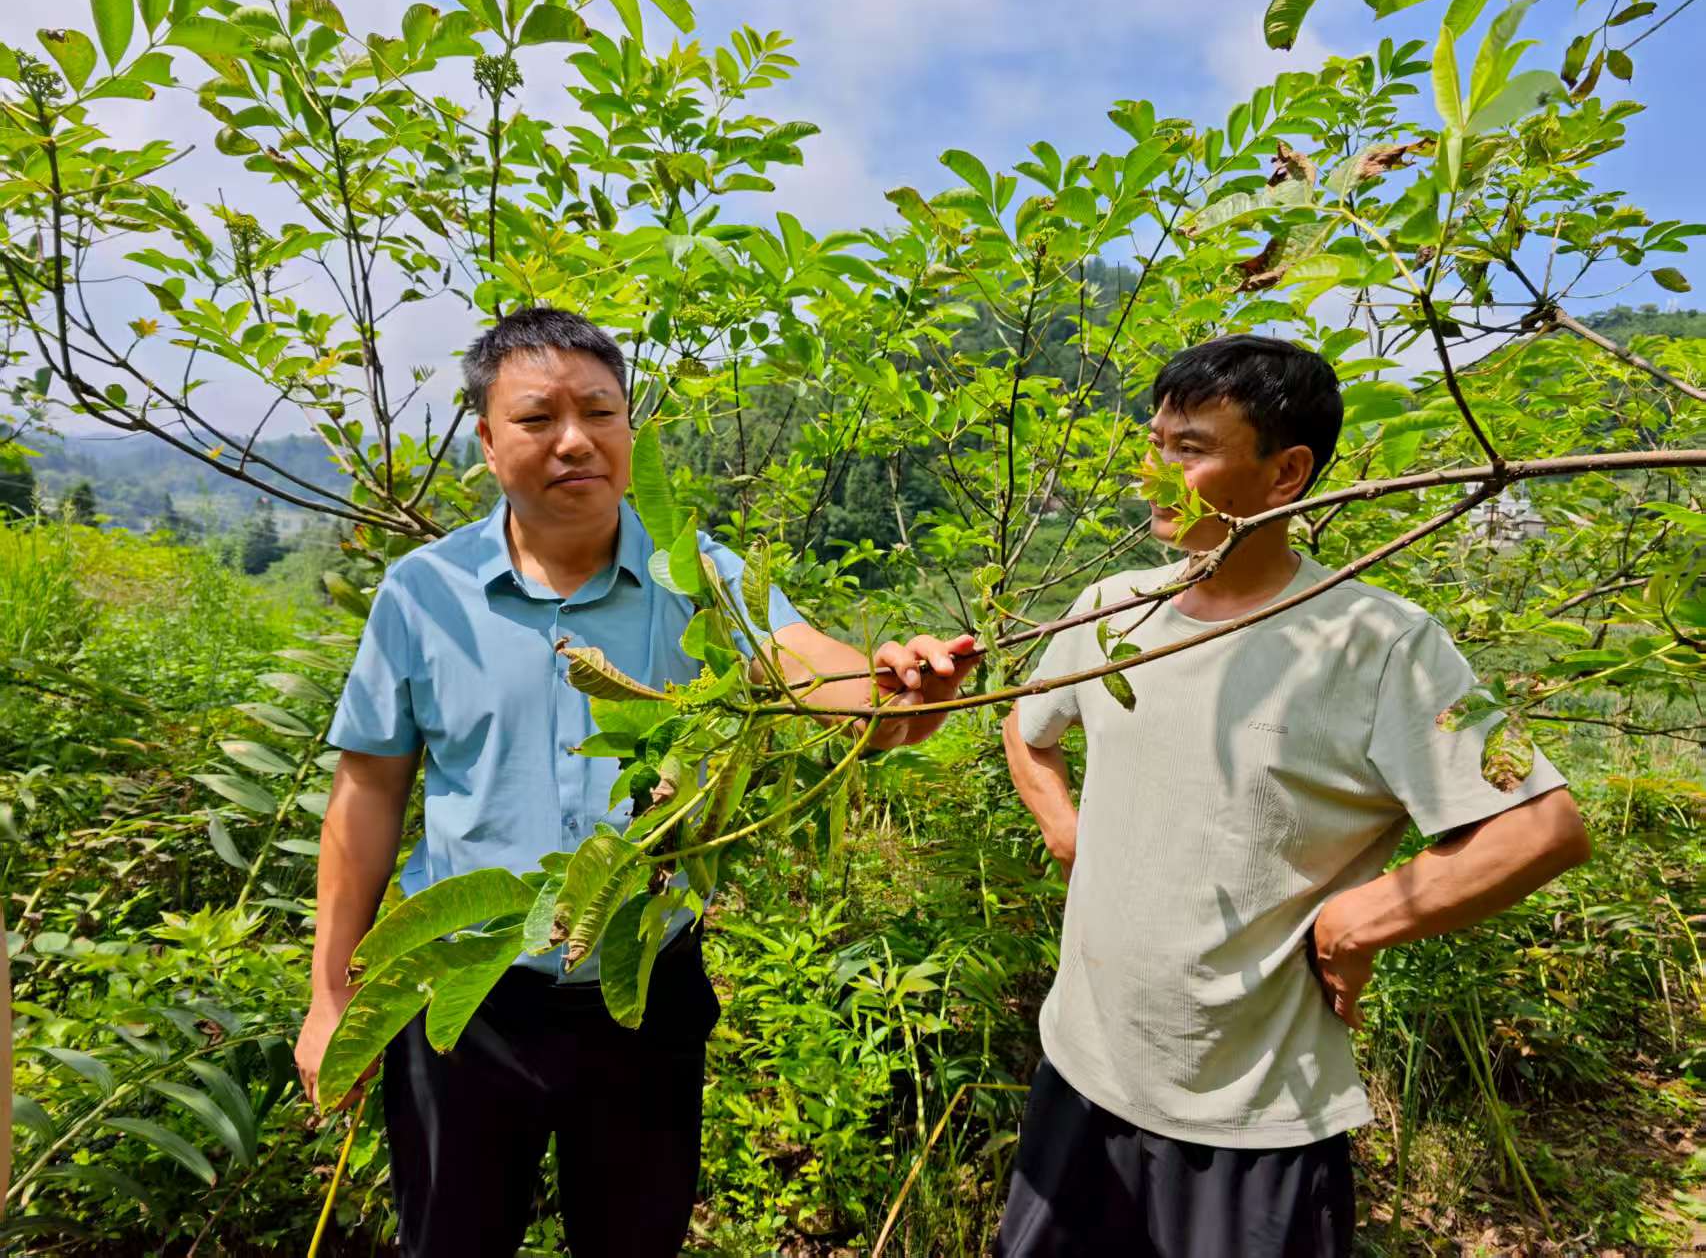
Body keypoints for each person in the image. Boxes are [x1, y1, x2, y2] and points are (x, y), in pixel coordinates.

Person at [293, 307, 976, 1258]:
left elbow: (816, 671)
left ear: (627, 426)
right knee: (448, 1238)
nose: (575, 440)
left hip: (642, 987)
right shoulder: (422, 592)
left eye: (600, 412)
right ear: (488, 441)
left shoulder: (699, 578)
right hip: (462, 988)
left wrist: (903, 690)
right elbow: (364, 800)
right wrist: (332, 999)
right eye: (538, 418)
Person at [996, 334, 1590, 1257]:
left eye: (1189, 448)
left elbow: (1540, 828)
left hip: (1254, 1119)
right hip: (1080, 1071)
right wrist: (1067, 829)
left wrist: (1359, 920)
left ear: (1286, 474)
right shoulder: (1112, 606)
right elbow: (1027, 726)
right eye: (1154, 439)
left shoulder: (1382, 644)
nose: (1154, 467)